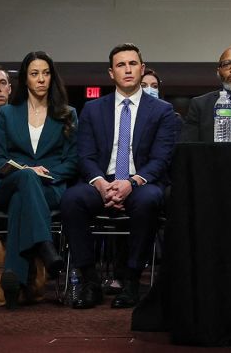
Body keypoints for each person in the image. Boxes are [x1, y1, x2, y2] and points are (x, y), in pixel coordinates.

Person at [62, 43, 180, 309]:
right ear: (111, 73)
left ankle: (131, 280)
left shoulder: (161, 110)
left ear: (142, 68)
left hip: (141, 182)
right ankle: (90, 282)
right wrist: (101, 183)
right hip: (101, 181)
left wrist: (131, 182)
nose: (127, 69)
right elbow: (85, 156)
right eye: (120, 65)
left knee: (149, 200)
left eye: (132, 64)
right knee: (71, 200)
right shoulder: (93, 109)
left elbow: (161, 159)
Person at [0, 51, 77, 309]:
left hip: (48, 188)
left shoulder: (67, 113)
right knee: (24, 178)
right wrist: (27, 170)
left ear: (52, 78)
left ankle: (14, 280)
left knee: (22, 200)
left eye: (46, 73)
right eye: (35, 74)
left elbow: (72, 161)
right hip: (7, 184)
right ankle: (44, 243)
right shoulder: (8, 113)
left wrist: (46, 174)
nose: (41, 79)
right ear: (25, 79)